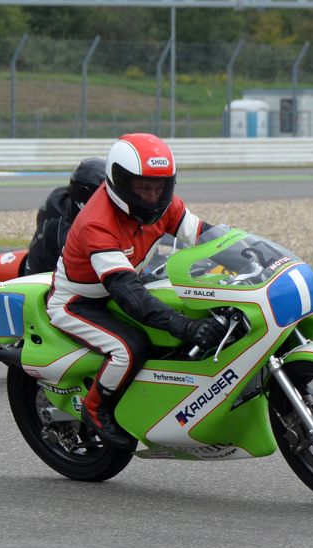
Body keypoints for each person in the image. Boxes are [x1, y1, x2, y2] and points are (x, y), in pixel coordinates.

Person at [46, 133, 227, 449]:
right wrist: (186, 328)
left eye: (160, 186)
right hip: (79, 300)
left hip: (126, 281)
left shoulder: (163, 205)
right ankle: (95, 409)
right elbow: (128, 294)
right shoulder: (97, 223)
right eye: (143, 187)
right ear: (121, 182)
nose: (153, 195)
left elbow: (205, 235)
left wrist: (247, 252)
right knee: (129, 348)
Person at [24, 157, 105, 275]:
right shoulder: (61, 224)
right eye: (100, 194)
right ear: (83, 193)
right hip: (43, 281)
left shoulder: (62, 196)